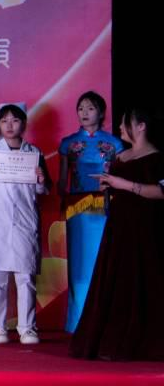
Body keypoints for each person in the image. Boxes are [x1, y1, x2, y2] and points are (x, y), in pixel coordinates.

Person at [71, 106, 164, 361]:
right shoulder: (121, 156)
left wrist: (123, 184)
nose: (121, 127)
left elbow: (160, 191)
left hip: (146, 229)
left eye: (125, 123)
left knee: (144, 280)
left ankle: (143, 341)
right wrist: (108, 185)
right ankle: (107, 340)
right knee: (115, 280)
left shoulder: (158, 159)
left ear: (141, 126)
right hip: (118, 227)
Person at [0, 103, 49, 346]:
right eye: (4, 121)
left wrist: (41, 180)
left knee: (25, 276)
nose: (10, 125)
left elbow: (42, 189)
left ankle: (27, 328)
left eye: (15, 120)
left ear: (24, 124)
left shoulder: (34, 152)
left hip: (24, 218)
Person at [57, 91, 123, 332]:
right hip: (78, 208)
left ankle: (104, 321)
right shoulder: (68, 144)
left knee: (103, 262)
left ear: (102, 113)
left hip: (105, 207)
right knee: (79, 265)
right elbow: (62, 181)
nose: (84, 113)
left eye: (90, 108)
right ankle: (77, 323)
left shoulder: (115, 144)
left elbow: (120, 178)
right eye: (81, 108)